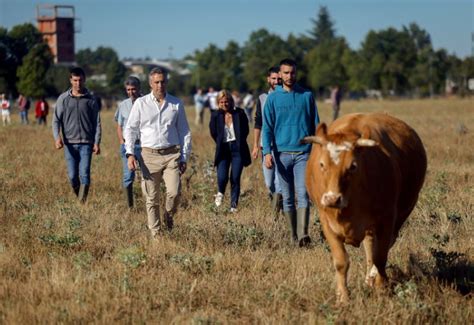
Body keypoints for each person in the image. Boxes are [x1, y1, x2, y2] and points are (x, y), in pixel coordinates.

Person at [124, 67, 191, 237]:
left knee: (174, 193)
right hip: (149, 155)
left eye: (162, 81)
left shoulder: (176, 103)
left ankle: (168, 216)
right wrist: (130, 154)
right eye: (156, 82)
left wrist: (184, 157)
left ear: (166, 82)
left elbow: (184, 131)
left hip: (172, 154)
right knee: (151, 198)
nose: (160, 85)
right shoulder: (141, 103)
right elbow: (130, 129)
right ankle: (156, 234)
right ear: (150, 84)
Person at [262, 58, 320, 247]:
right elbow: (267, 128)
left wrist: (318, 149)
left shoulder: (307, 96)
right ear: (280, 75)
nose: (289, 76)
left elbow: (316, 125)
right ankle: (292, 236)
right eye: (286, 73)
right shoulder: (273, 99)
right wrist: (267, 153)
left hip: (303, 153)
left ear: (296, 73)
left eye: (292, 72)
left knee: (303, 195)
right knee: (287, 197)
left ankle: (304, 235)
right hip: (281, 154)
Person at [52, 67, 101, 202]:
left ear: (84, 80)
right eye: (75, 80)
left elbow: (97, 122)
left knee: (84, 173)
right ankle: (79, 196)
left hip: (86, 143)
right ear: (70, 80)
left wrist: (97, 142)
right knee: (73, 176)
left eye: (80, 80)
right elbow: (56, 120)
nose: (78, 83)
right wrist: (57, 138)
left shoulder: (91, 100)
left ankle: (82, 202)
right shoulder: (63, 99)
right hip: (69, 144)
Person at [209, 90, 251, 212]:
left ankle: (233, 205)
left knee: (235, 177)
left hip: (237, 149)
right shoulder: (216, 115)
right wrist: (220, 142)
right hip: (223, 149)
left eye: (226, 101)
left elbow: (246, 130)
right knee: (222, 177)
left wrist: (239, 141)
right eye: (221, 102)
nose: (224, 104)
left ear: (231, 101)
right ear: (218, 103)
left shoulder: (240, 113)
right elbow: (213, 132)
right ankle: (220, 192)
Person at [252, 66, 282, 217]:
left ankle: (276, 213)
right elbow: (258, 123)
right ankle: (276, 201)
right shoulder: (262, 98)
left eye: (279, 78)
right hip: (266, 146)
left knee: (279, 182)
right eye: (274, 78)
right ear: (268, 79)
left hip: (282, 146)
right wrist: (256, 145)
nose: (276, 81)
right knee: (269, 183)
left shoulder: (286, 96)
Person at [114, 76, 143, 208]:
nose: (131, 92)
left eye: (134, 89)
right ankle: (130, 206)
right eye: (128, 90)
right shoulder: (123, 105)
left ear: (139, 88)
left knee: (148, 176)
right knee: (128, 176)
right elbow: (119, 125)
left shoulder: (146, 102)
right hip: (128, 145)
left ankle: (148, 202)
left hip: (144, 145)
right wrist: (121, 141)